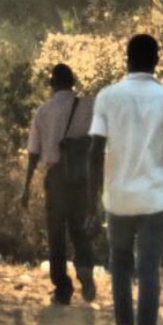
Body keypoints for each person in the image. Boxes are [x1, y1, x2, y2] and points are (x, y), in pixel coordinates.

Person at [88, 34, 163, 325]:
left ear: (126, 59)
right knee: (149, 270)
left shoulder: (108, 97)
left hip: (117, 198)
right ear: (157, 61)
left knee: (119, 266)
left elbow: (94, 152)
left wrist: (92, 201)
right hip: (156, 198)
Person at [22, 64, 98, 305]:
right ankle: (85, 266)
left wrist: (25, 187)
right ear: (72, 83)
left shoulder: (43, 111)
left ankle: (63, 288)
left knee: (56, 233)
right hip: (82, 177)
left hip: (56, 178)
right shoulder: (88, 105)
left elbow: (34, 152)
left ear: (52, 85)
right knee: (80, 228)